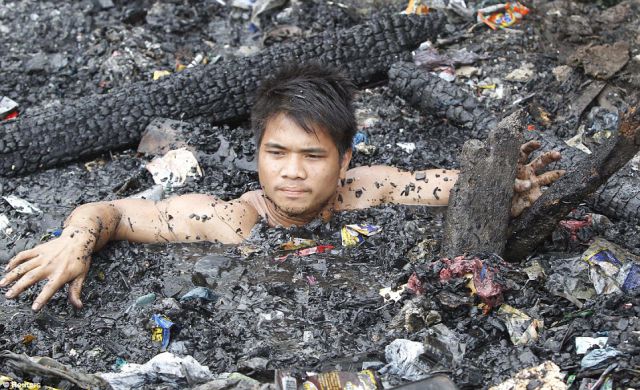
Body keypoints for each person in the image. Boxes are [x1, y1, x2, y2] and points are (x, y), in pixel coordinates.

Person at [0, 63, 564, 311]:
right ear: (257, 155)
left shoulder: (370, 189)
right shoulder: (226, 220)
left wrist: (508, 192)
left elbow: (453, 186)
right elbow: (112, 212)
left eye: (313, 156)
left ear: (344, 161)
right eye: (277, 153)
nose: (292, 171)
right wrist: (74, 242)